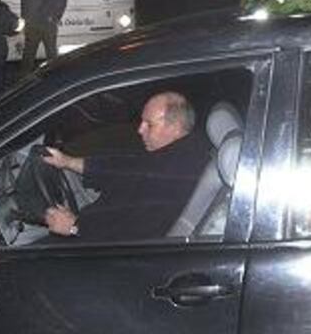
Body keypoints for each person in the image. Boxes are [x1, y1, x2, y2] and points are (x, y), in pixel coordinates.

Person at [41, 92, 207, 242]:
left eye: (149, 124)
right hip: (93, 231)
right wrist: (66, 161)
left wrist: (74, 227)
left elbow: (134, 234)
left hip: (97, 252)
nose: (140, 130)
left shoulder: (176, 174)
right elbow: (124, 168)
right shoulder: (170, 154)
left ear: (174, 127)